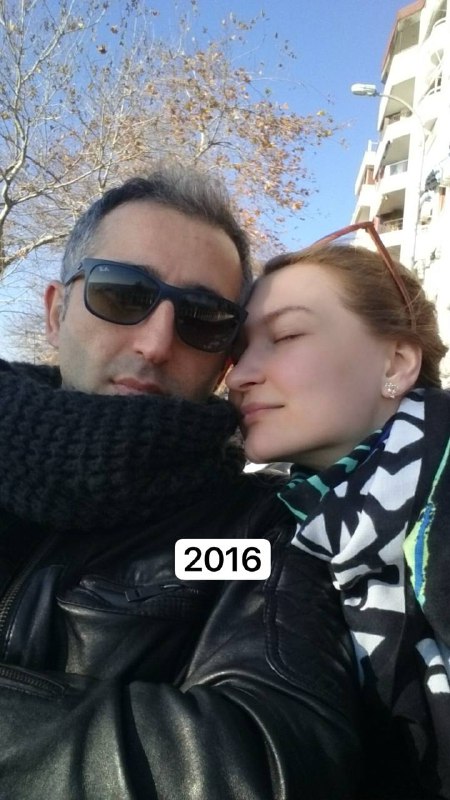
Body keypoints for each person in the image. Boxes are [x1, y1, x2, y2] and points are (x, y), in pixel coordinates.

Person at [0, 168, 362, 799]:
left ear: (224, 360)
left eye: (203, 317)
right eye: (121, 294)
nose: (156, 342)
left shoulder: (251, 540)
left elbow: (269, 753)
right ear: (56, 313)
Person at [226, 221, 450, 800]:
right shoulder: (295, 515)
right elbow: (180, 566)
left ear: (395, 363)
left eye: (286, 335)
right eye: (238, 349)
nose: (239, 376)